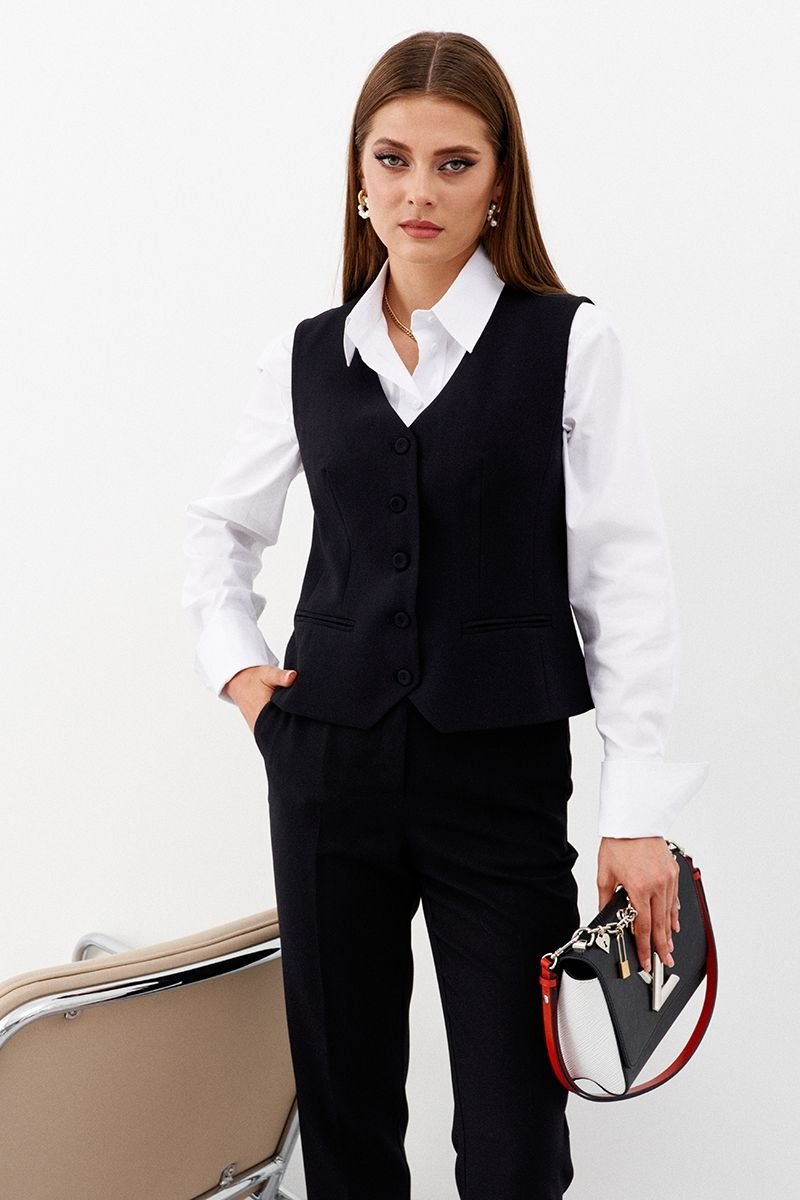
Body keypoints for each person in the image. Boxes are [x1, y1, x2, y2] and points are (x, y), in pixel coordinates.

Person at [181, 29, 709, 1200]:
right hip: (327, 769)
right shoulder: (303, 356)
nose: (418, 190)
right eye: (392, 159)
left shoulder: (569, 344)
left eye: (453, 163)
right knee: (346, 1124)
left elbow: (625, 579)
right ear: (358, 178)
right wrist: (248, 685)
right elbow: (217, 532)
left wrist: (635, 814)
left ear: (498, 181)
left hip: (498, 780)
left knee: (515, 1145)